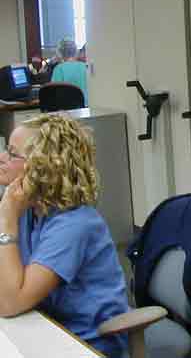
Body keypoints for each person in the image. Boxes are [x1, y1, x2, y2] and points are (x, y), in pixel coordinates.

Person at [0, 115, 129, 357]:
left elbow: (10, 302)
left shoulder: (74, 224)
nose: (2, 158)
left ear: (42, 166)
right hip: (44, 329)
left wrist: (5, 220)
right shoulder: (29, 210)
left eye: (12, 154)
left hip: (85, 344)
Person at [51, 39, 89, 105]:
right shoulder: (85, 66)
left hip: (66, 109)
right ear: (75, 51)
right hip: (86, 107)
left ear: (60, 53)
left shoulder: (59, 69)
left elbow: (54, 94)